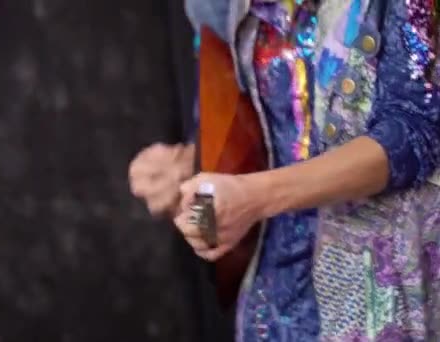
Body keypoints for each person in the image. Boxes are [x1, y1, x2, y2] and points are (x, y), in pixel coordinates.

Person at [129, 0, 440, 340]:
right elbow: (235, 123)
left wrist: (255, 195)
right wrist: (192, 176)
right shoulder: (216, 6)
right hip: (274, 303)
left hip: (379, 296)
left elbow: (415, 132)